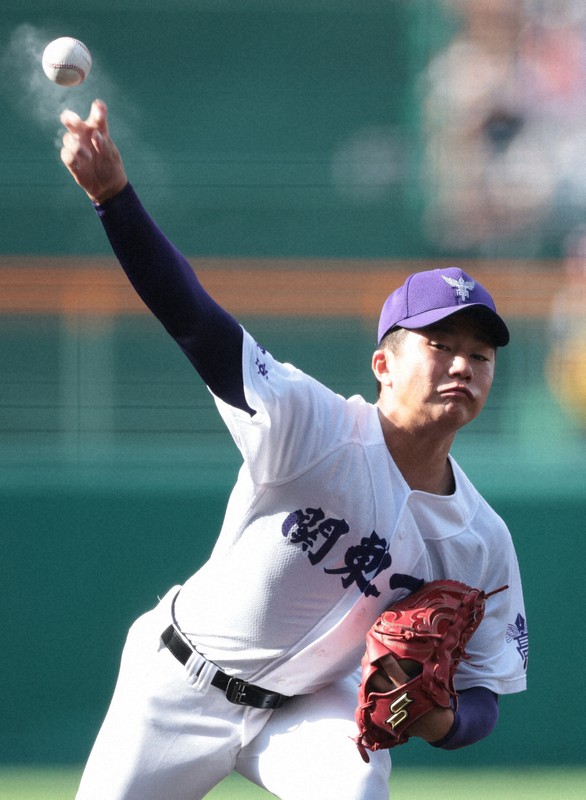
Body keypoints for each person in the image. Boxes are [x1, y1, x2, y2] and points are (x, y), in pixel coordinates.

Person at [60, 100, 528, 800]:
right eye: (441, 346)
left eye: (480, 354)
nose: (463, 365)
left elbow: (487, 685)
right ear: (384, 366)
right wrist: (114, 201)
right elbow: (196, 323)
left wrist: (442, 718)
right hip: (177, 682)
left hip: (309, 709)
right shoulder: (313, 424)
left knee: (358, 789)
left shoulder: (481, 539)